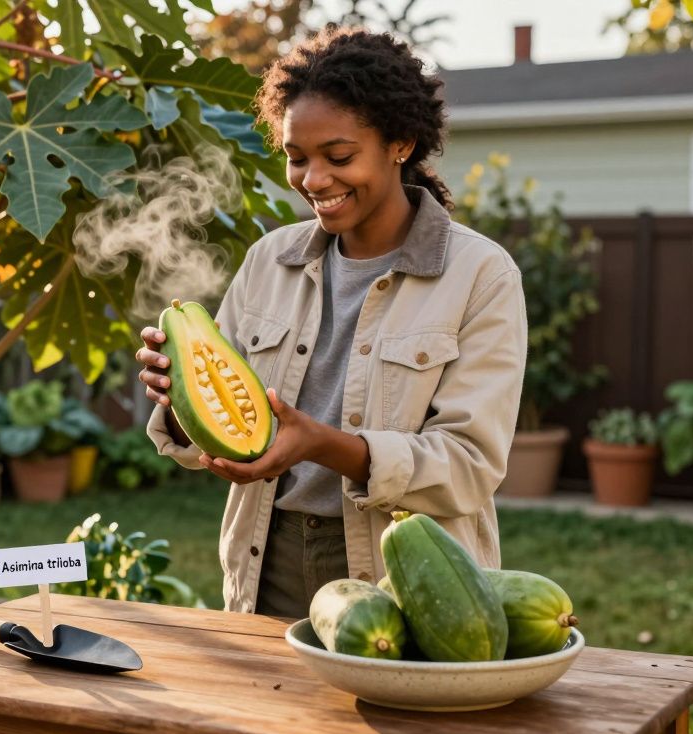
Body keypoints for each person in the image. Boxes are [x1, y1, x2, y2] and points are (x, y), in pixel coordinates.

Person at [136, 26, 528, 617]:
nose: (314, 180)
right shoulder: (270, 260)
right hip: (268, 560)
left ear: (401, 143)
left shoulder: (480, 275)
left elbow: (468, 466)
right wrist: (179, 396)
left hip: (411, 571)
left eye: (339, 157)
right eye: (297, 158)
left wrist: (325, 446)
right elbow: (223, 426)